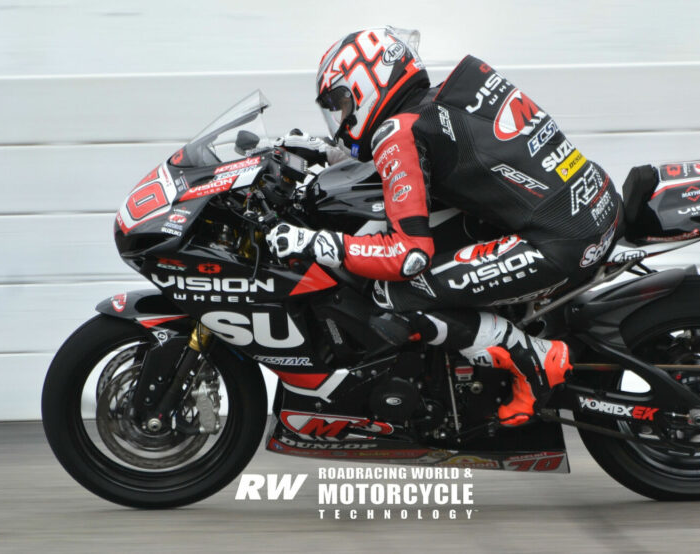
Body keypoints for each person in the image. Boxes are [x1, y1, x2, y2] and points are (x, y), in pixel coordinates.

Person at [267, 27, 622, 426]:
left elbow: (408, 255)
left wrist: (315, 242)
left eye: (342, 102)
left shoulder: (396, 132)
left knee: (396, 293)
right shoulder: (437, 101)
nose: (341, 116)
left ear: (368, 84)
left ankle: (535, 361)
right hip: (593, 201)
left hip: (562, 239)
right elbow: (425, 167)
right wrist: (328, 151)